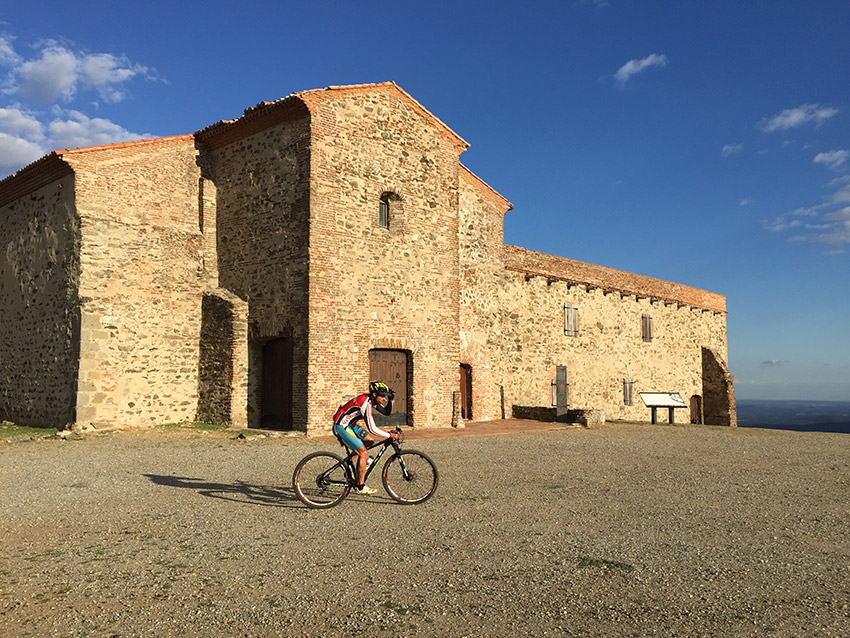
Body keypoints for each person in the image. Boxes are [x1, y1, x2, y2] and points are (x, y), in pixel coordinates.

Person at [332, 381, 398, 494]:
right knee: (363, 453)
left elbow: (386, 412)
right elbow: (372, 428)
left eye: (385, 397)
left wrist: (391, 399)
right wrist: (389, 435)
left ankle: (349, 464)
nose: (384, 399)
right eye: (382, 396)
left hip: (350, 425)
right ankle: (360, 487)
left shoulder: (371, 400)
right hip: (341, 427)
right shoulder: (365, 404)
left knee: (369, 441)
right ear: (374, 395)